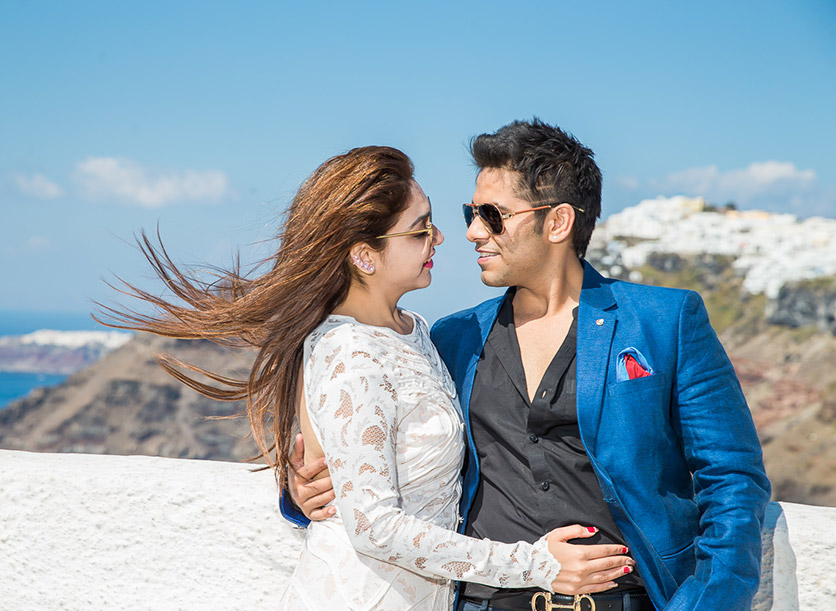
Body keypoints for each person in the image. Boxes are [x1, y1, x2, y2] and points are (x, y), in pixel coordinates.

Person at [98, 145, 634, 611]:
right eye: (419, 229)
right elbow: (373, 526)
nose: (441, 237)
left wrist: (307, 482)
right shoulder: (348, 351)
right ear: (364, 255)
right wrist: (533, 565)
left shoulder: (418, 332)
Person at [286, 121, 771, 611]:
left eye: (492, 216)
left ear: (558, 222)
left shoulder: (664, 322)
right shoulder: (453, 339)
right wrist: (302, 493)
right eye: (471, 213)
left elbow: (733, 480)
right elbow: (385, 460)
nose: (473, 232)